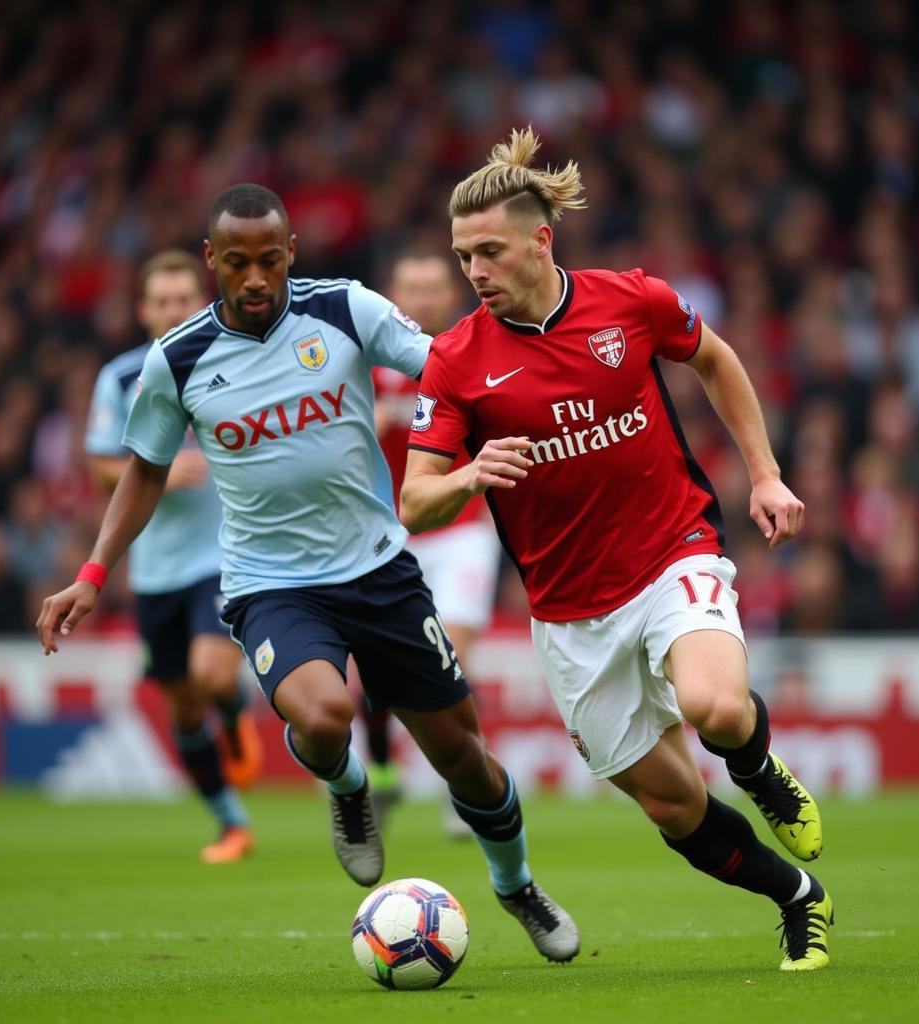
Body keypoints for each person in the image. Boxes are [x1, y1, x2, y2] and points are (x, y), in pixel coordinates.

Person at [37, 183, 579, 964]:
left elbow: (445, 370)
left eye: (268, 260)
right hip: (270, 585)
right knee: (324, 717)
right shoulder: (178, 358)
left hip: (383, 569)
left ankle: (516, 882)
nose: (255, 279)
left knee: (464, 758)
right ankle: (351, 788)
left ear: (290, 252)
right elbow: (145, 470)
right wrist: (92, 572)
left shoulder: (345, 310)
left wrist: (535, 396)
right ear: (211, 261)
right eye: (236, 263)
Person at [400, 129, 832, 972]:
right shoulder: (455, 361)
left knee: (716, 708)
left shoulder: (630, 302)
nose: (475, 272)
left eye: (490, 251)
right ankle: (797, 899)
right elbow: (414, 502)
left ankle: (757, 765)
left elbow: (714, 357)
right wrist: (471, 477)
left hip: (674, 551)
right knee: (673, 808)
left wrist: (766, 474)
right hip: (568, 614)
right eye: (463, 258)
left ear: (540, 239)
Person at [85, 249, 263, 864]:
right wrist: (160, 466)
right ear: (144, 310)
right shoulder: (120, 378)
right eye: (161, 302)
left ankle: (235, 708)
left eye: (184, 299)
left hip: (223, 554)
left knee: (212, 675)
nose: (173, 310)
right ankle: (231, 823)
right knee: (182, 705)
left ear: (203, 299)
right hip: (154, 569)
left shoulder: (241, 360)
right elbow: (105, 467)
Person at [364, 250, 501, 835]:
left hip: (463, 531)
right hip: (392, 535)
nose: (421, 298)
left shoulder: (475, 357)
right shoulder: (370, 368)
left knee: (452, 658)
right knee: (374, 675)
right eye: (409, 287)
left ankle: (465, 789)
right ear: (393, 295)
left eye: (431, 287)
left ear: (451, 295)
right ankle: (383, 777)